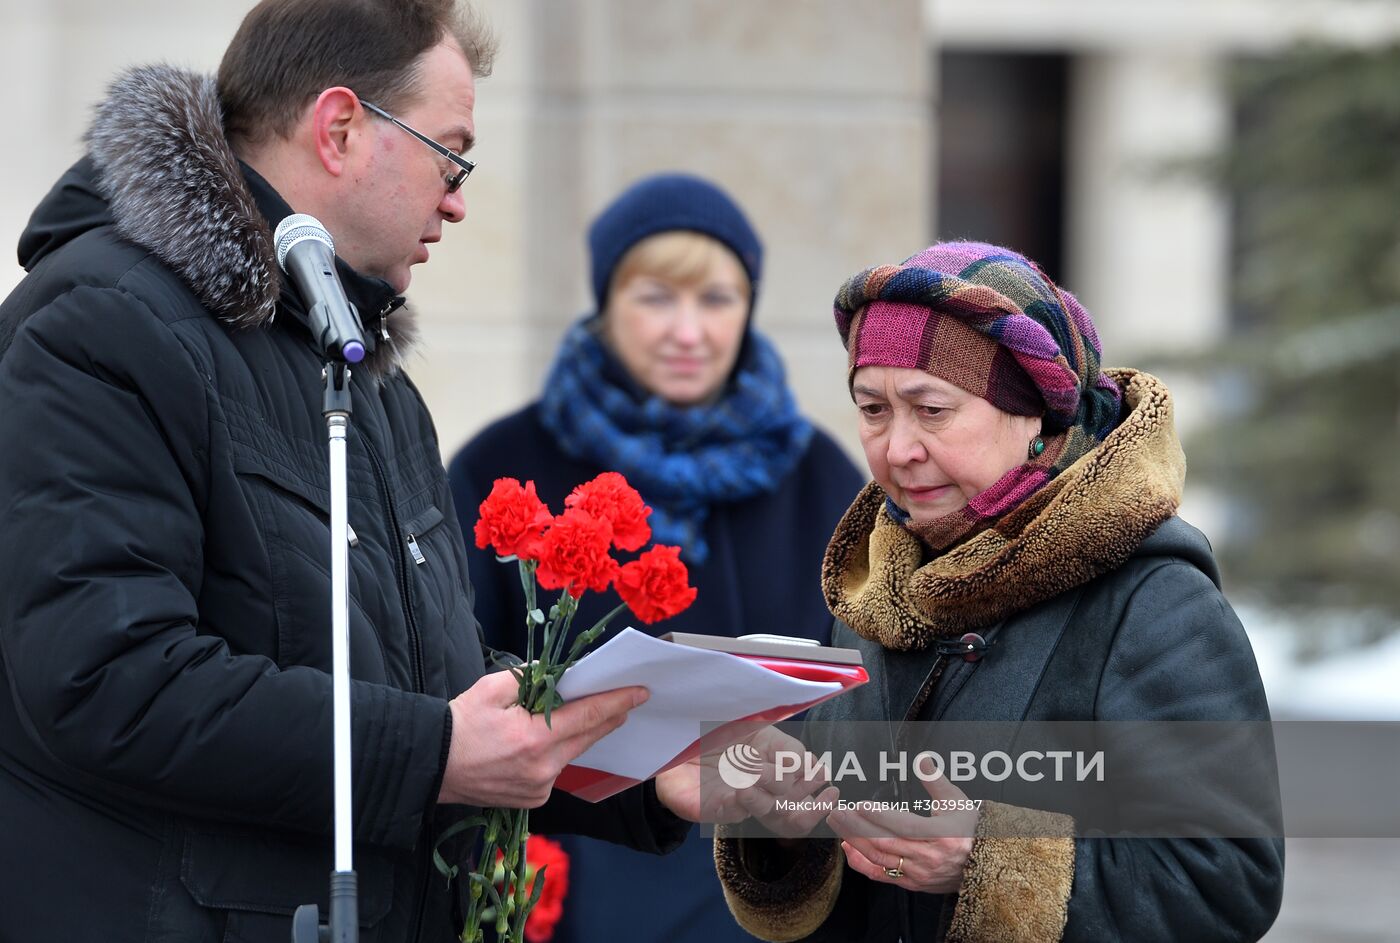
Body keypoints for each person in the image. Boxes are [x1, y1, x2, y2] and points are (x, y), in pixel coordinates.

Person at [0, 3, 715, 940]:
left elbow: (423, 680)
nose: (458, 199)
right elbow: (109, 678)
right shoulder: (102, 325)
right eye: (449, 155)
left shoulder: (358, 368)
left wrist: (637, 757)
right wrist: (436, 753)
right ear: (339, 128)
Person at [712, 242, 1285, 941]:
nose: (896, 449)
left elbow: (1224, 881)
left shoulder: (1155, 603)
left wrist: (994, 857)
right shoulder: (874, 594)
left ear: (1036, 419)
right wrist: (780, 825)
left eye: (931, 409)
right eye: (872, 408)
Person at [447, 173, 865, 943]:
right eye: (655, 297)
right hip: (584, 886)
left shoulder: (822, 476)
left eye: (716, 299)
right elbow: (453, 668)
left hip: (776, 883)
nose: (688, 330)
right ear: (606, 305)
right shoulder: (506, 467)